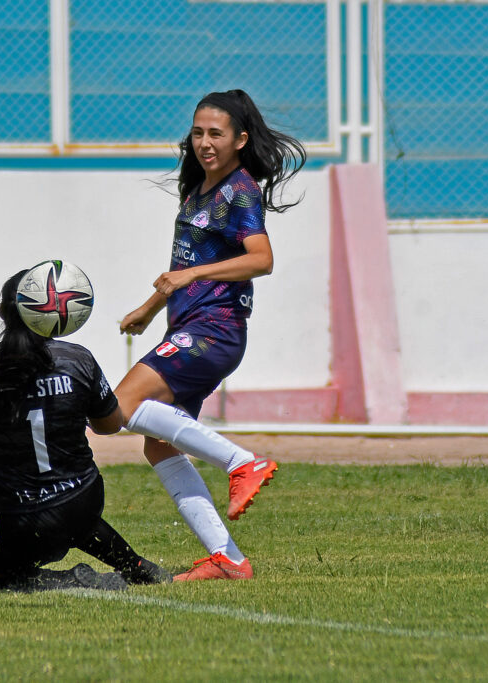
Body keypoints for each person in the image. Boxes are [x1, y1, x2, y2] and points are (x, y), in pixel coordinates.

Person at [114, 89, 307, 581]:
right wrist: (149, 307)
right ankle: (228, 559)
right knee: (158, 444)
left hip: (215, 330)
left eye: (215, 134)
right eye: (198, 132)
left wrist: (189, 280)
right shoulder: (198, 190)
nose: (204, 142)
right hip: (193, 328)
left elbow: (261, 259)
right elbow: (185, 266)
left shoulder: (240, 190)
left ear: (240, 140)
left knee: (122, 407)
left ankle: (243, 462)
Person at [0, 270, 172, 591]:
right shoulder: (77, 359)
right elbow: (110, 425)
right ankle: (138, 567)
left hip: (20, 519)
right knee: (74, 517)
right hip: (84, 498)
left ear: (3, 312)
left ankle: (66, 580)